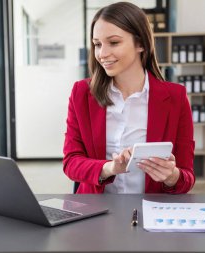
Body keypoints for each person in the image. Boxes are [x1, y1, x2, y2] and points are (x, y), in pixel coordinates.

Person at [63, 2, 195, 194]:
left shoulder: (176, 97)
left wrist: (171, 176)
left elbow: (187, 177)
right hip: (96, 213)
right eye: (97, 44)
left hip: (151, 210)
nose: (102, 54)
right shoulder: (82, 93)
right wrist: (110, 168)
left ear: (141, 43)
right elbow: (71, 162)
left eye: (114, 42)